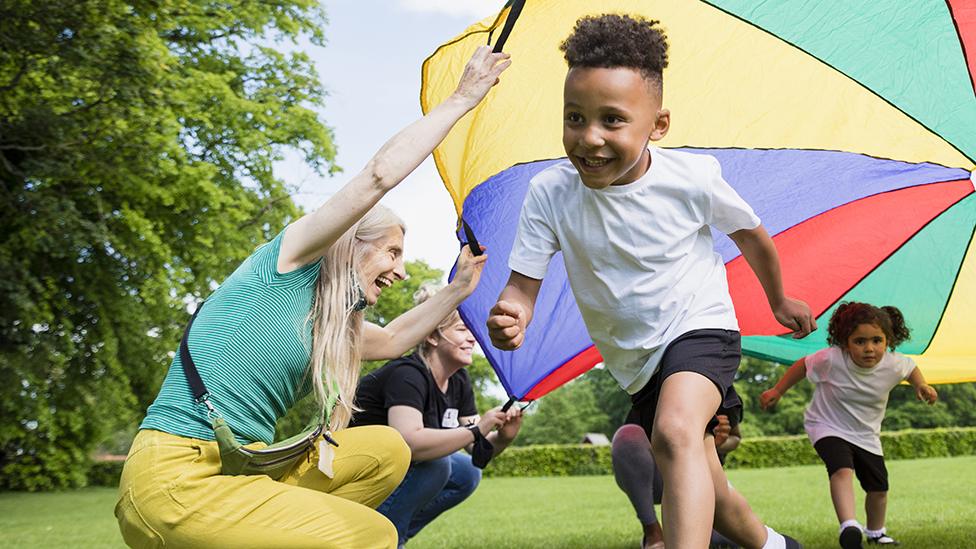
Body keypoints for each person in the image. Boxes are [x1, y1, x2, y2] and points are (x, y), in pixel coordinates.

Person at [115, 46, 511, 549]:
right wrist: (461, 99)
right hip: (174, 481)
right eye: (391, 252)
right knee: (372, 535)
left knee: (386, 450)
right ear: (352, 244)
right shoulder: (288, 264)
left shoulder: (329, 322)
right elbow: (377, 177)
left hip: (245, 473)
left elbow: (392, 339)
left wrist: (459, 289)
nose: (401, 269)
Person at [485, 14, 811, 549]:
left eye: (612, 120)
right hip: (635, 361)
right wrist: (512, 315)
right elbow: (522, 286)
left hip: (699, 326)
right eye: (574, 117)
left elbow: (752, 234)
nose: (589, 138)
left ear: (656, 125)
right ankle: (777, 547)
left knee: (676, 431)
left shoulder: (692, 178)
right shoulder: (550, 192)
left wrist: (778, 298)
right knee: (705, 479)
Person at [351, 284, 523, 546]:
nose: (472, 338)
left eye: (472, 330)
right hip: (356, 467)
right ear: (432, 337)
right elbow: (409, 442)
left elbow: (475, 450)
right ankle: (378, 540)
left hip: (394, 467)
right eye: (462, 330)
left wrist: (503, 437)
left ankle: (395, 535)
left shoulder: (459, 380)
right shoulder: (408, 375)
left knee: (466, 472)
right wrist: (479, 429)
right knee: (438, 464)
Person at [760, 302, 938, 548]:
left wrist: (922, 386)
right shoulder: (832, 359)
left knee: (879, 489)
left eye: (877, 340)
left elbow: (911, 369)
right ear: (845, 342)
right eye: (860, 341)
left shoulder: (894, 363)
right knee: (842, 469)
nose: (869, 348)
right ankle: (849, 526)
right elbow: (803, 364)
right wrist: (778, 390)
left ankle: (876, 532)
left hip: (866, 434)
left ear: (888, 341)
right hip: (826, 426)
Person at [613, 414, 744, 549]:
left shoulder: (724, 397)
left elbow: (735, 437)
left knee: (726, 540)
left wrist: (717, 441)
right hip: (660, 473)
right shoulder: (647, 395)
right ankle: (653, 532)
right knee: (627, 435)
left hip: (703, 478)